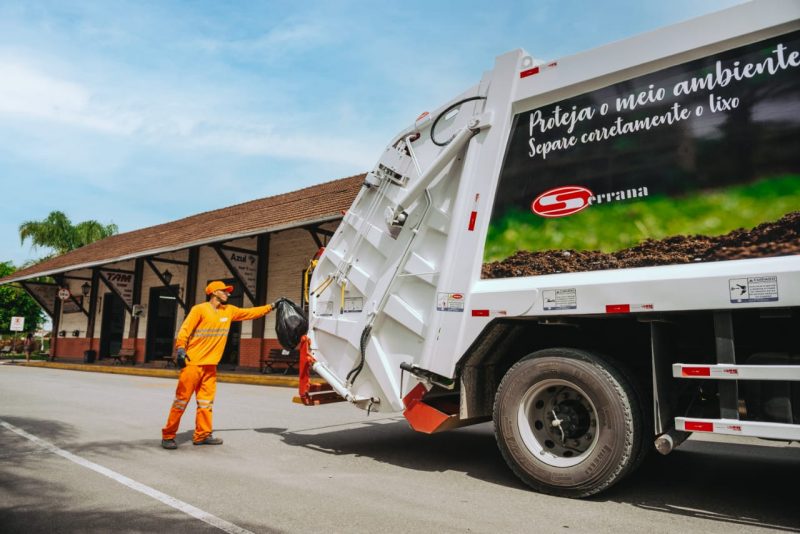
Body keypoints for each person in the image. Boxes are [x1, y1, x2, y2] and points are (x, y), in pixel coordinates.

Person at [161, 281, 282, 449]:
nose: (228, 294)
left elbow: (250, 313)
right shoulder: (199, 309)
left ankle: (202, 435)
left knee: (206, 403)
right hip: (193, 364)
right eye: (224, 291)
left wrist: (272, 306)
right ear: (214, 292)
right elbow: (185, 329)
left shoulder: (229, 310)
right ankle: (168, 435)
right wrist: (180, 348)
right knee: (181, 401)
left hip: (210, 366)